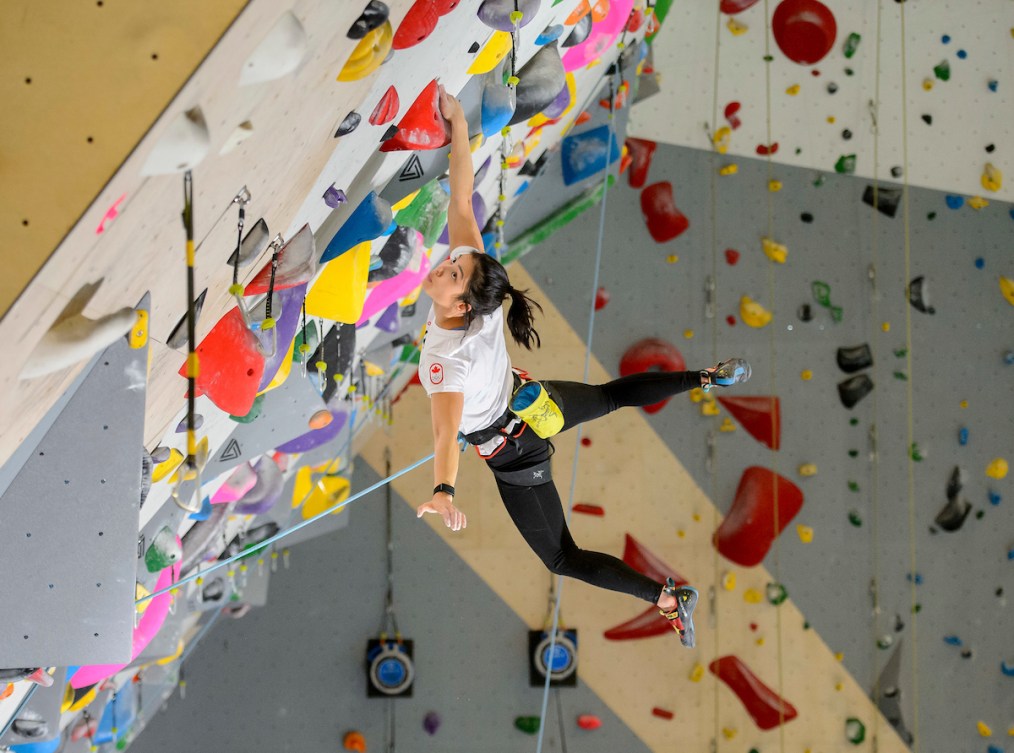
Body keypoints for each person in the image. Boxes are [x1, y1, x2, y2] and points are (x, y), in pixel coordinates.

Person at [414, 85, 751, 648]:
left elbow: (448, 433)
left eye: (452, 270)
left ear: (463, 302)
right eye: (452, 262)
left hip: (516, 444)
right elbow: (461, 199)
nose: (444, 266)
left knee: (562, 557)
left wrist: (445, 488)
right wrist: (455, 127)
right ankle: (706, 378)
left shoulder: (445, 361)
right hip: (531, 410)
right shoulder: (484, 297)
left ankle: (666, 598)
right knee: (612, 397)